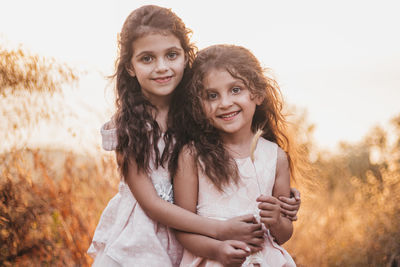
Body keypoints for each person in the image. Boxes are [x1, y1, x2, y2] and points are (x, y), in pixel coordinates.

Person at [88, 5, 269, 267]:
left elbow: (235, 153)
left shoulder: (197, 111)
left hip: (193, 236)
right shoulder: (128, 125)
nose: (162, 67)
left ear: (186, 56)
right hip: (142, 238)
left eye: (171, 55)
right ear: (129, 66)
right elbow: (151, 204)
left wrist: (275, 186)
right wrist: (219, 231)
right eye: (147, 58)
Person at [173, 44, 298, 266]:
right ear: (199, 106)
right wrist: (218, 249)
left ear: (258, 94)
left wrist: (277, 219)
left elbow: (284, 235)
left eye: (235, 90)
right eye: (212, 95)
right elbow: (183, 229)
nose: (225, 103)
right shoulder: (192, 156)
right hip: (213, 259)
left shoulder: (276, 157)